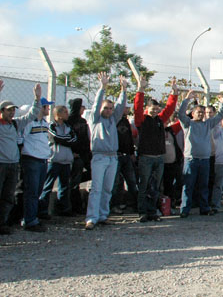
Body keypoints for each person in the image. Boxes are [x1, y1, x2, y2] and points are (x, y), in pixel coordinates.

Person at [84, 73, 128, 230]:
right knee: (96, 188)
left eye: (110, 108)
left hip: (112, 158)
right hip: (99, 157)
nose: (109, 110)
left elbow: (121, 106)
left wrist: (123, 90)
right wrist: (102, 87)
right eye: (106, 108)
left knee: (108, 188)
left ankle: (103, 215)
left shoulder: (112, 120)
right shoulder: (95, 119)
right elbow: (96, 105)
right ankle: (91, 217)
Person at [132, 77, 178, 222]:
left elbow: (169, 109)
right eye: (152, 109)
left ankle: (152, 211)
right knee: (144, 185)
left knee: (155, 187)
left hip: (159, 158)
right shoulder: (141, 120)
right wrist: (140, 89)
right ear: (147, 109)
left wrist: (174, 93)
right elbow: (137, 108)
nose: (155, 112)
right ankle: (142, 211)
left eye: (157, 110)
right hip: (146, 158)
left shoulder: (160, 120)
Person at [0, 80, 42, 235]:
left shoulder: (16, 124)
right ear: (2, 111)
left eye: (13, 110)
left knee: (8, 197)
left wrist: (37, 99)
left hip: (13, 164)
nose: (11, 112)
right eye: (8, 110)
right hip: (1, 164)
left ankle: (3, 223)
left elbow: (31, 115)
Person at [176, 90, 223, 218]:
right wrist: (187, 99)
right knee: (188, 186)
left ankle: (204, 208)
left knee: (204, 186)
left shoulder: (208, 124)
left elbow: (220, 115)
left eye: (203, 113)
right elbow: (180, 113)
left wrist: (222, 103)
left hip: (204, 160)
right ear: (192, 113)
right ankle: (184, 209)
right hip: (191, 160)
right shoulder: (187, 124)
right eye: (198, 112)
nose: (201, 114)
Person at [19, 96, 53, 231]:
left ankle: (32, 217)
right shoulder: (29, 124)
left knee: (38, 191)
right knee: (31, 192)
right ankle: (30, 220)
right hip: (31, 159)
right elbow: (20, 140)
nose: (48, 109)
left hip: (43, 160)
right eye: (46, 106)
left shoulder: (45, 123)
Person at [39, 104, 77, 217]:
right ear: (58, 115)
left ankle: (64, 209)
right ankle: (42, 211)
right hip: (54, 160)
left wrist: (64, 139)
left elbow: (74, 139)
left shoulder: (68, 127)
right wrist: (66, 140)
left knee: (65, 186)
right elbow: (56, 138)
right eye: (65, 112)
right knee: (48, 186)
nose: (67, 114)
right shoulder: (51, 126)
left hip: (66, 161)